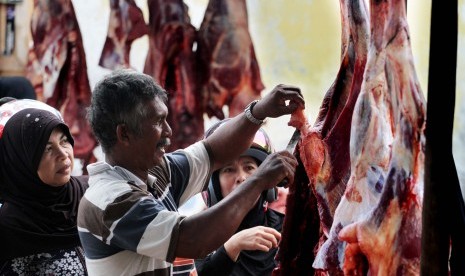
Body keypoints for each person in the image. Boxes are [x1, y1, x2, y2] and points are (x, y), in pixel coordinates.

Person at [77, 68, 305, 276]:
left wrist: (258, 111)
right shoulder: (110, 201)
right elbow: (192, 239)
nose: (168, 131)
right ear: (124, 134)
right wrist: (258, 181)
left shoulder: (155, 174)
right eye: (158, 122)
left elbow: (213, 151)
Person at [0, 106, 89, 275]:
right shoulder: (10, 227)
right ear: (23, 162)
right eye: (46, 149)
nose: (63, 154)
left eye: (64, 141)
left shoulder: (90, 191)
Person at [195, 121, 286, 276]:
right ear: (213, 186)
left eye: (249, 168)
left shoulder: (288, 228)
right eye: (229, 170)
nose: (242, 178)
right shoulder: (195, 235)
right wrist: (232, 247)